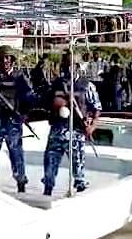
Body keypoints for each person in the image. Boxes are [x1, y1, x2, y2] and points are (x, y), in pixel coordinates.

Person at [42, 61, 102, 196]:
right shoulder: (56, 84)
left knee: (78, 165)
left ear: (77, 67)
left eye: (72, 65)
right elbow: (46, 104)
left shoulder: (87, 86)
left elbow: (97, 108)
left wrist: (92, 125)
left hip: (76, 131)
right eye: (66, 65)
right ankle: (47, 189)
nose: (69, 69)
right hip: (57, 130)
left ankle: (79, 189)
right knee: (50, 163)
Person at [0, 47, 36, 192]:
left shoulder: (20, 77)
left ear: (12, 59)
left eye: (8, 58)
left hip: (13, 121)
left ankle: (21, 183)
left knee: (16, 153)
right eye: (2, 58)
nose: (5, 61)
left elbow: (30, 96)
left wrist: (25, 113)